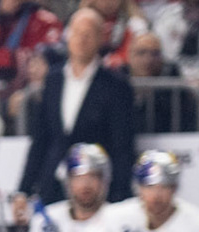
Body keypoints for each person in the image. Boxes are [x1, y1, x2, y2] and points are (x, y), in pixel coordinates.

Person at [12, 9, 134, 214]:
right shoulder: (53, 79)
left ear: (100, 38)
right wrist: (23, 190)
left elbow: (123, 146)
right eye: (76, 32)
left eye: (88, 34)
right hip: (53, 186)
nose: (81, 39)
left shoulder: (116, 85)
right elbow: (41, 140)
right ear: (68, 36)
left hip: (98, 189)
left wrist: (120, 196)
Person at [9, 142, 130, 232]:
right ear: (67, 181)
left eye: (93, 176)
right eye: (78, 177)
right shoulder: (46, 219)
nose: (85, 184)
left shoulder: (119, 219)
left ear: (105, 180)